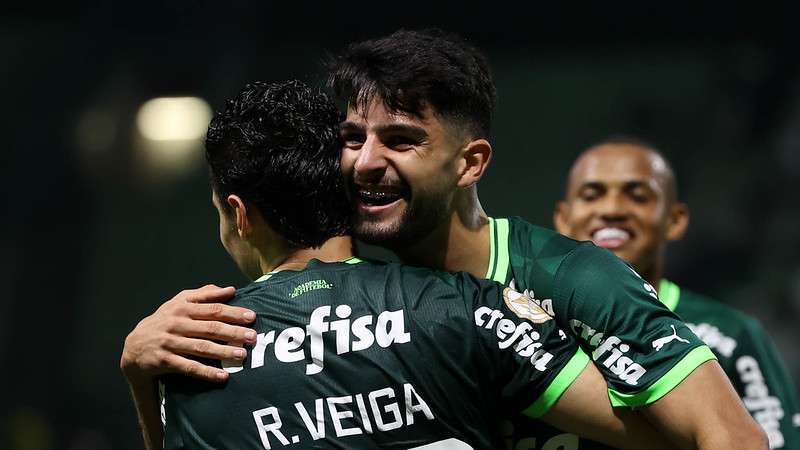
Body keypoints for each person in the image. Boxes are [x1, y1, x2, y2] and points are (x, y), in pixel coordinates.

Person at [122, 30, 767, 449]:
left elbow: (732, 439)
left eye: (401, 140)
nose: (366, 163)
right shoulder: (366, 291)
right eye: (352, 139)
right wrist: (144, 364)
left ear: (470, 163)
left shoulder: (575, 279)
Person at [553, 136, 800, 449]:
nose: (612, 209)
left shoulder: (734, 335)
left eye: (638, 196)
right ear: (563, 218)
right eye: (592, 195)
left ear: (675, 219)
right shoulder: (528, 324)